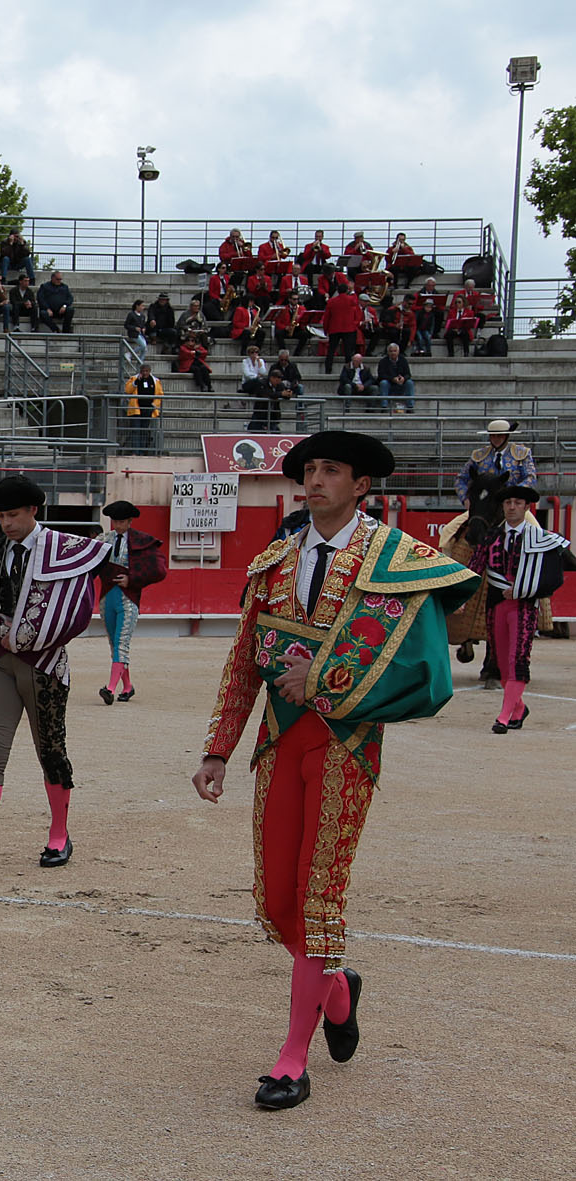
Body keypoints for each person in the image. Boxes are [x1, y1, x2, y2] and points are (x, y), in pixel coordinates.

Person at [193, 431, 476, 1110]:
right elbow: (243, 663)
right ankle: (339, 990)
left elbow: (421, 664)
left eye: (331, 470)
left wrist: (322, 677)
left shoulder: (395, 558)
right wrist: (217, 749)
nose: (315, 479)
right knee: (279, 901)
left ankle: (293, 1057)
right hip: (278, 745)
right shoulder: (274, 562)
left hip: (346, 746)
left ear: (361, 486)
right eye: (310, 469)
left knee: (318, 893)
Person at [0, 475, 108, 874]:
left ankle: (59, 836)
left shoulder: (63, 549)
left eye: (13, 515)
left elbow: (88, 594)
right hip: (1, 662)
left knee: (50, 750)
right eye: (0, 516)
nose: (6, 523)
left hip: (46, 665)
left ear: (33, 510)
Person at [469, 485, 566, 734]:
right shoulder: (491, 537)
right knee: (501, 662)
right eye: (508, 502)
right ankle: (519, 708)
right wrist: (458, 598)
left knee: (518, 659)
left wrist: (525, 590)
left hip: (524, 607)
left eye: (517, 503)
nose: (512, 507)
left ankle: (503, 717)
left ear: (526, 507)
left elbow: (554, 577)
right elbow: (473, 569)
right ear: (502, 506)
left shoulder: (540, 537)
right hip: (496, 605)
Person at [94, 501, 166, 705]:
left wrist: (131, 579)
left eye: (121, 521)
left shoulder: (141, 541)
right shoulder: (104, 540)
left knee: (121, 643)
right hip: (107, 597)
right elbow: (87, 556)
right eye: (114, 521)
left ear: (130, 521)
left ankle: (109, 688)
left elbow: (158, 569)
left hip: (128, 598)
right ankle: (127, 687)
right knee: (114, 644)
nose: (117, 525)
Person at [456, 420, 536, 508]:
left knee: (533, 522)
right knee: (455, 523)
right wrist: (465, 499)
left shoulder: (521, 453)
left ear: (507, 436)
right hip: (483, 508)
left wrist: (514, 493)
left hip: (514, 507)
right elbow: (460, 479)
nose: (496, 438)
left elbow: (530, 478)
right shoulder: (479, 455)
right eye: (493, 435)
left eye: (500, 435)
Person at [122, 362, 161, 453]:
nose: (145, 373)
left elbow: (159, 394)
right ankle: (135, 451)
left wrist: (154, 405)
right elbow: (128, 390)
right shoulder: (134, 379)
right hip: (136, 409)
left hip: (148, 409)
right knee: (136, 430)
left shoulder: (155, 381)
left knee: (144, 431)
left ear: (150, 371)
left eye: (146, 371)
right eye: (143, 371)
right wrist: (136, 382)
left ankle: (142, 451)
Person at [376, 343, 414, 413]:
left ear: (398, 352)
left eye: (394, 351)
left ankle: (410, 407)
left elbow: (408, 374)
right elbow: (381, 375)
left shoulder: (403, 360)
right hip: (389, 384)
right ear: (388, 352)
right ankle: (384, 407)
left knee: (410, 382)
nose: (393, 353)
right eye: (391, 351)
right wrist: (392, 379)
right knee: (383, 383)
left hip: (401, 384)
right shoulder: (383, 362)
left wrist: (403, 378)